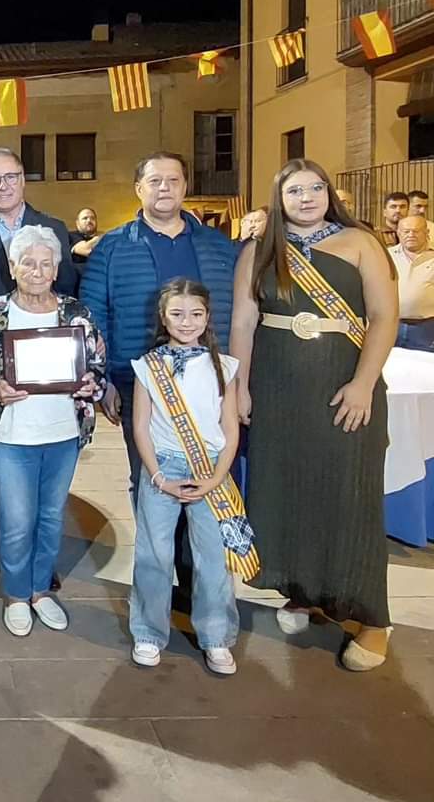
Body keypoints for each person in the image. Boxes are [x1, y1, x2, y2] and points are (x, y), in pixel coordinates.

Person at [231, 159, 397, 671]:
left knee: (349, 497)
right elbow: (243, 319)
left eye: (316, 188)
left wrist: (363, 383)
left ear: (330, 193)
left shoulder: (361, 242)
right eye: (295, 190)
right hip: (277, 393)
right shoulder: (259, 250)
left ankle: (373, 620)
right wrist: (238, 387)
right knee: (287, 493)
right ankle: (302, 589)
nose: (307, 197)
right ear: (278, 199)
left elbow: (384, 316)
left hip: (343, 390)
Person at [0, 225, 105, 636]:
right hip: (11, 435)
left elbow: (97, 364)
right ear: (12, 266)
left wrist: (91, 384)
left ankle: (42, 590)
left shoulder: (77, 314)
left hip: (62, 433)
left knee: (49, 516)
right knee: (17, 518)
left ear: (57, 267)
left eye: (46, 263)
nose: (38, 271)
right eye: (28, 262)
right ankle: (18, 594)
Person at [0, 147, 77, 591]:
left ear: (24, 179)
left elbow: (68, 303)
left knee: (45, 482)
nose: (2, 185)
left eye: (10, 176)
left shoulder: (54, 229)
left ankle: (40, 565)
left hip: (47, 377)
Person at [80, 152, 237, 496]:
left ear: (185, 187)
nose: (164, 188)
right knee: (151, 482)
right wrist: (103, 381)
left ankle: (196, 553)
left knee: (212, 483)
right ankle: (156, 552)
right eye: (154, 181)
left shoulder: (220, 247)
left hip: (209, 387)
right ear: (139, 188)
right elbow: (93, 318)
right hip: (139, 386)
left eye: (173, 180)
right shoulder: (112, 247)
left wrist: (238, 381)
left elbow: (237, 314)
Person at [129, 280, 243, 676]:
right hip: (162, 466)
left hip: (211, 467)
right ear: (163, 317)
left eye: (196, 314)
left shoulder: (224, 367)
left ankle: (216, 636)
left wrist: (215, 479)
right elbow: (140, 427)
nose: (186, 322)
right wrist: (158, 477)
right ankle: (148, 631)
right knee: (153, 553)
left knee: (213, 558)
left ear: (208, 316)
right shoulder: (148, 366)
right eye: (177, 314)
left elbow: (230, 429)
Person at [389, 215, 434, 351]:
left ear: (426, 233)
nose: (411, 235)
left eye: (416, 231)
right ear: (398, 233)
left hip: (426, 328)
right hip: (390, 325)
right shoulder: (386, 255)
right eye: (406, 231)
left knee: (423, 369)